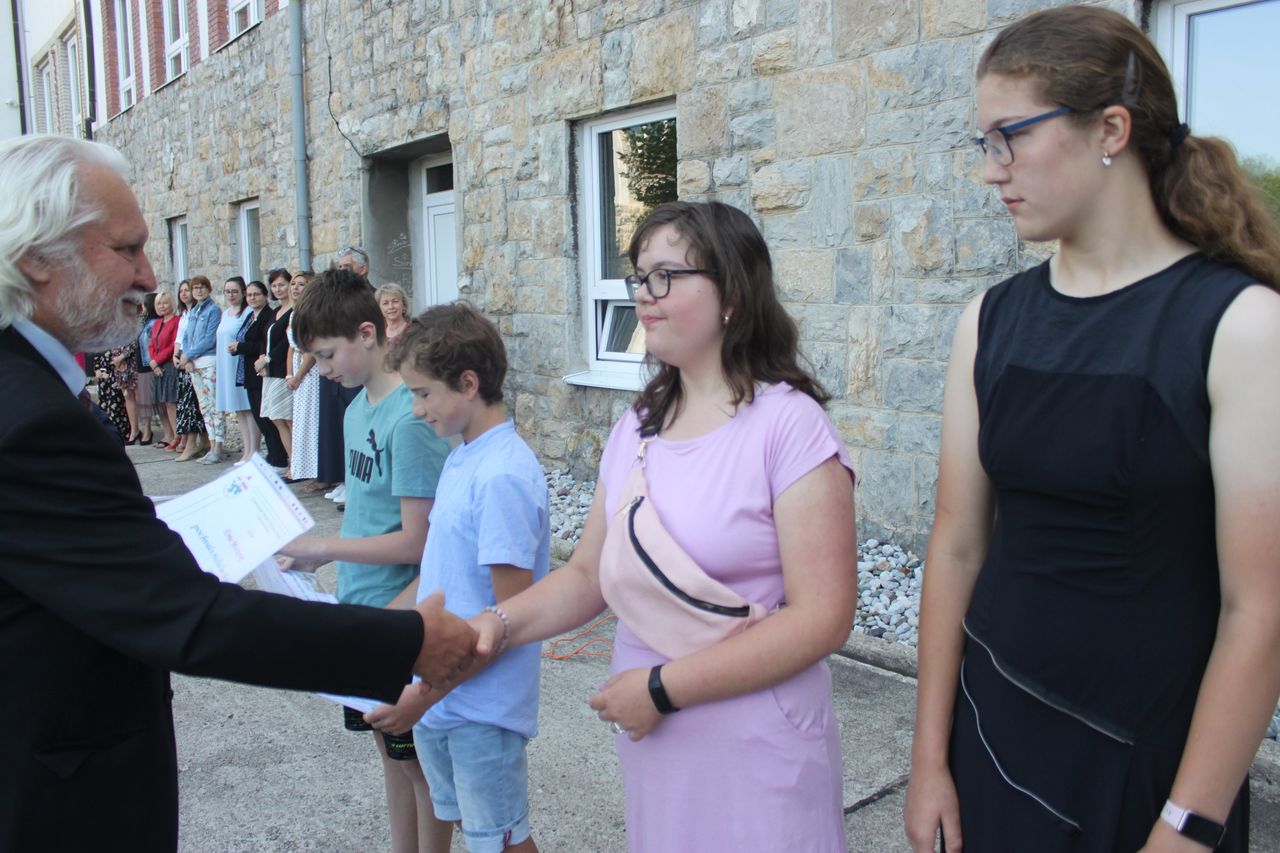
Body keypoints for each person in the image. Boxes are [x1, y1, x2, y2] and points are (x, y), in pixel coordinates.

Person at [0, 134, 479, 852]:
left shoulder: (29, 394)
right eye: (127, 248)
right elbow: (184, 617)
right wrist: (409, 641)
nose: (149, 273)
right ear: (39, 257)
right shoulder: (30, 416)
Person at [902, 8, 1280, 853]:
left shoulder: (1240, 326)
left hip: (1151, 773)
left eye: (1010, 137)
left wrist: (1187, 826)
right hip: (994, 743)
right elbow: (957, 546)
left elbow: (1259, 608)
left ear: (1111, 129)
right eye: (983, 143)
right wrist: (929, 759)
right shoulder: (989, 322)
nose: (992, 170)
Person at [460, 201, 858, 851]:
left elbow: (823, 618)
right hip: (658, 747)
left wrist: (662, 689)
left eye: (666, 276)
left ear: (732, 294)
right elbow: (588, 574)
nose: (644, 294)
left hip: (758, 748)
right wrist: (495, 626)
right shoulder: (638, 426)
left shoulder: (790, 426)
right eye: (640, 277)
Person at [278, 268, 454, 853]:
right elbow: (365, 514)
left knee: (420, 769)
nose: (322, 369)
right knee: (391, 760)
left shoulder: (410, 418)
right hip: (361, 607)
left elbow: (418, 542)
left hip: (398, 617)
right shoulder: (355, 410)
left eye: (328, 355)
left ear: (368, 333)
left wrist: (322, 547)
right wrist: (320, 564)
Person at [373, 303, 550, 853]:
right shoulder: (462, 458)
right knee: (469, 829)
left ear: (468, 384)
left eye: (423, 393)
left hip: (480, 707)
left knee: (499, 841)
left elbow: (510, 619)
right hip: (443, 697)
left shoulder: (501, 476)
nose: (415, 408)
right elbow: (437, 577)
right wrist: (371, 633)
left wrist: (421, 699)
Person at [230, 279, 286, 465]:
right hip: (248, 371)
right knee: (260, 418)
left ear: (264, 296)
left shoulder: (268, 315)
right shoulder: (250, 316)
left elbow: (263, 344)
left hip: (262, 371)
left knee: (268, 419)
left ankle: (278, 457)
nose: (252, 298)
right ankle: (272, 455)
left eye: (256, 294)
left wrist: (240, 347)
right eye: (249, 295)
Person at [180, 275, 224, 463]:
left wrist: (189, 354)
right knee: (204, 407)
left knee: (214, 405)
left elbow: (210, 338)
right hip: (194, 364)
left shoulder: (213, 310)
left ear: (208, 289)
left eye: (202, 287)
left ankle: (218, 446)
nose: (198, 291)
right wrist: (187, 357)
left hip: (208, 361)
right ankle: (211, 444)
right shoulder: (193, 311)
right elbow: (186, 336)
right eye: (195, 288)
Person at [256, 270, 295, 473]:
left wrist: (268, 359)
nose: (277, 289)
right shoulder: (276, 311)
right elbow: (266, 338)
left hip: (282, 370)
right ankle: (291, 461)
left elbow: (287, 342)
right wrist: (262, 358)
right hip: (270, 372)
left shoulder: (293, 311)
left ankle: (296, 464)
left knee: (287, 418)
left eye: (281, 284)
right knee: (276, 418)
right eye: (274, 285)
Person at [286, 271, 322, 486]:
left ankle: (318, 471)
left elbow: (311, 348)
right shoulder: (294, 313)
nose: (296, 288)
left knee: (312, 419)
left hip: (310, 371)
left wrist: (299, 375)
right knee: (301, 420)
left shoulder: (312, 313)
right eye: (294, 284)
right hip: (298, 366)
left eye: (301, 284)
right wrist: (289, 374)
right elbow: (291, 347)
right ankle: (303, 468)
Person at [215, 277, 256, 462]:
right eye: (227, 291)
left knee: (248, 408)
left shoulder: (247, 313)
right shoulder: (225, 313)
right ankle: (247, 450)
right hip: (226, 365)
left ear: (243, 293)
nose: (231, 295)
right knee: (238, 409)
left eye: (234, 291)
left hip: (240, 364)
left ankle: (254, 450)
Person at [172, 279, 207, 460]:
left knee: (193, 404)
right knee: (187, 402)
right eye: (182, 291)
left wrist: (187, 358)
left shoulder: (199, 312)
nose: (184, 293)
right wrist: (175, 355)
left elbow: (198, 339)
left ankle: (194, 443)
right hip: (183, 360)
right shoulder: (185, 314)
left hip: (193, 361)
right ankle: (203, 442)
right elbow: (181, 338)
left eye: (187, 290)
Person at [147, 289, 180, 449]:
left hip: (169, 365)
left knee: (172, 402)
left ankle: (178, 436)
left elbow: (173, 345)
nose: (162, 306)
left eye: (165, 303)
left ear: (171, 304)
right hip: (157, 366)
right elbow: (152, 345)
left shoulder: (176, 321)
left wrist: (157, 360)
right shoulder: (157, 323)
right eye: (159, 303)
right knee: (163, 403)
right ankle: (171, 434)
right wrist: (154, 362)